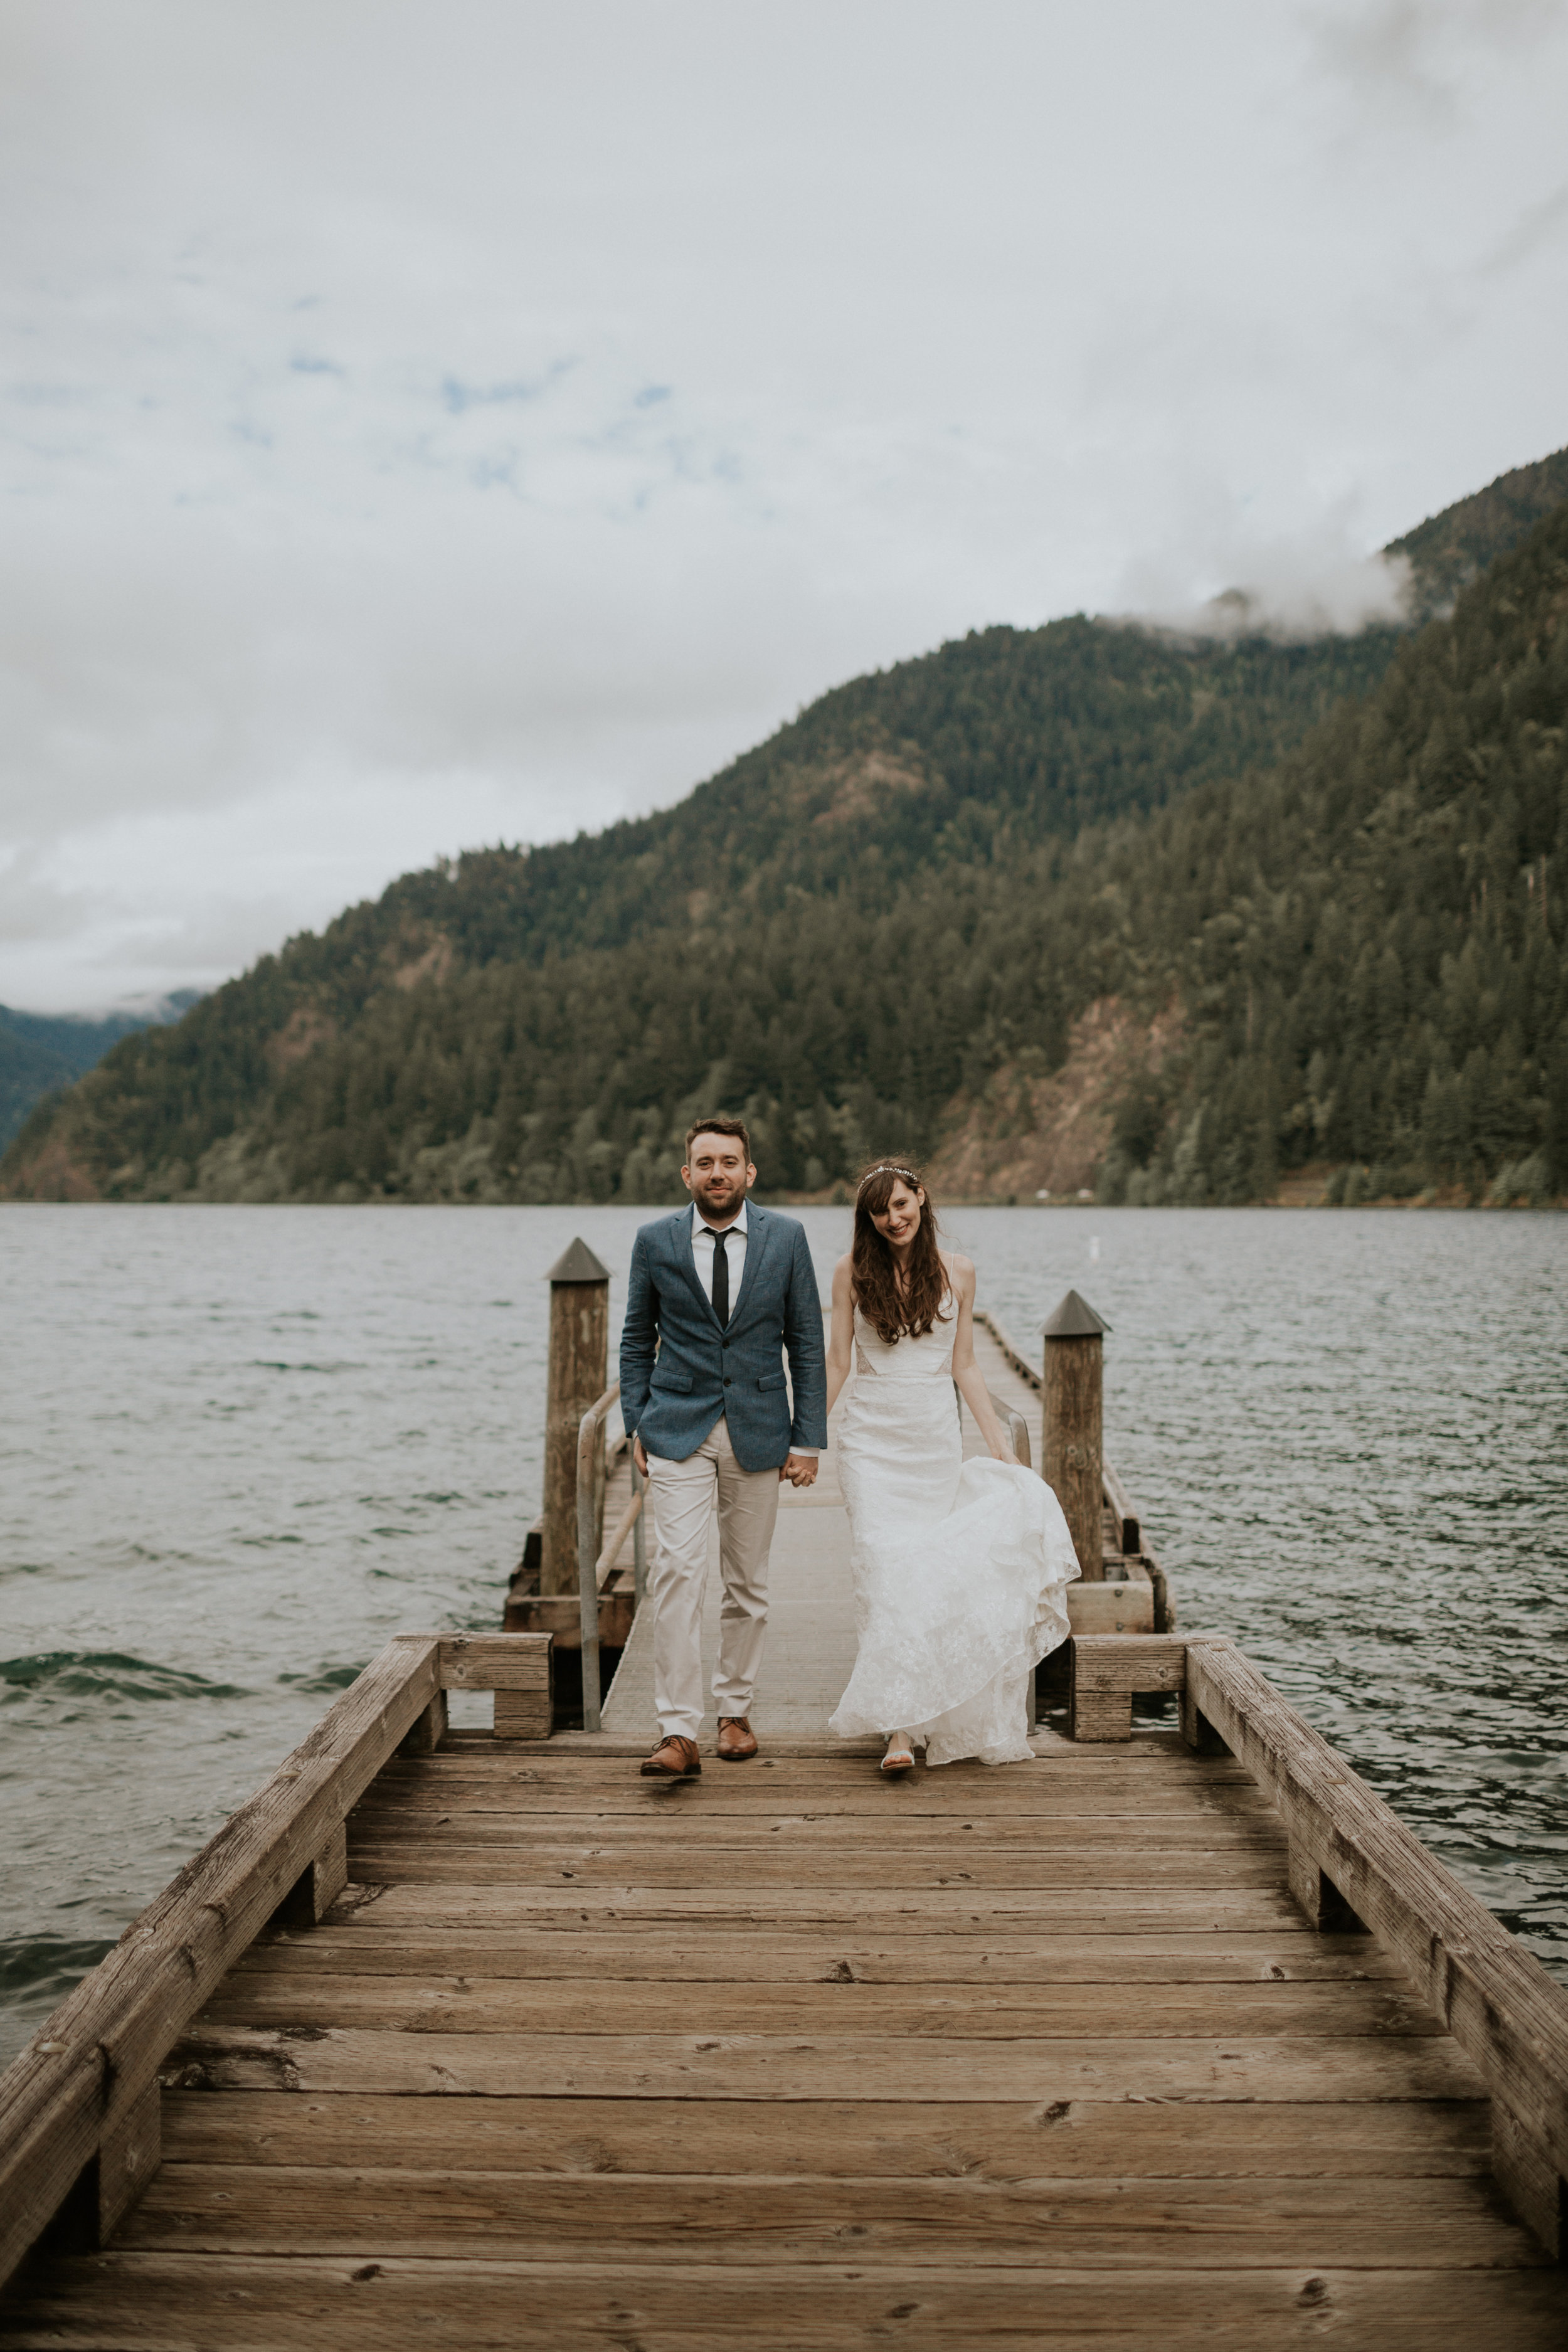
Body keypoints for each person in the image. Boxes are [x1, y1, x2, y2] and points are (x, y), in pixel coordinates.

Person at [825, 1161, 1079, 1772]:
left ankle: (910, 1719)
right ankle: (898, 1733)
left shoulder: (958, 1271)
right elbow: (838, 1361)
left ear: (921, 1198)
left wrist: (998, 1442)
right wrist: (804, 1437)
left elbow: (964, 1363)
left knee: (922, 1572)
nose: (893, 1218)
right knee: (882, 1569)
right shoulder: (850, 1273)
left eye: (901, 1204)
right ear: (869, 1220)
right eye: (880, 1211)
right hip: (868, 1437)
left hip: (932, 1438)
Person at [620, 1117, 828, 1779]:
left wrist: (808, 1439)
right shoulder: (654, 1241)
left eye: (729, 1162)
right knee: (677, 1572)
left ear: (749, 1172)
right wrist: (635, 1422)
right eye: (704, 1163)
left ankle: (734, 1712)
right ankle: (677, 1730)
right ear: (687, 1174)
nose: (717, 1173)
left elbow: (807, 1341)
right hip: (676, 1425)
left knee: (747, 1583)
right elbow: (634, 1340)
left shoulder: (787, 1239)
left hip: (759, 1427)